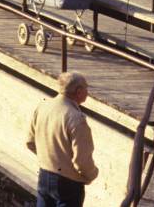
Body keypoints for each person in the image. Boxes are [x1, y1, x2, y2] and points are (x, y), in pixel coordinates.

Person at [25, 71, 99, 207]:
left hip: (44, 174)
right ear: (79, 91)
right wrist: (92, 174)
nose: (87, 91)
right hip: (68, 183)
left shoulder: (43, 106)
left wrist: (49, 160)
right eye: (86, 88)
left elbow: (30, 142)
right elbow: (81, 161)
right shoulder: (76, 119)